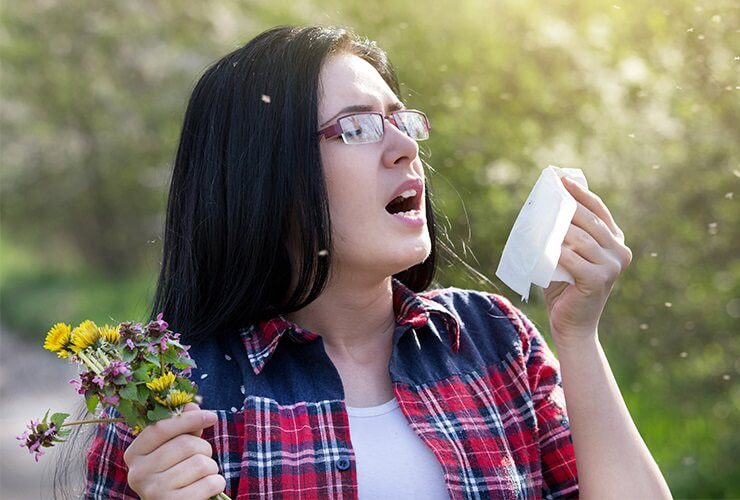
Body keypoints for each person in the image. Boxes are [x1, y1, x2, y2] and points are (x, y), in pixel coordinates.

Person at [83, 25, 672, 499]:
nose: (407, 148)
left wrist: (578, 334)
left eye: (402, 120)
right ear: (263, 175)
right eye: (359, 127)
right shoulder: (170, 393)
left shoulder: (494, 341)